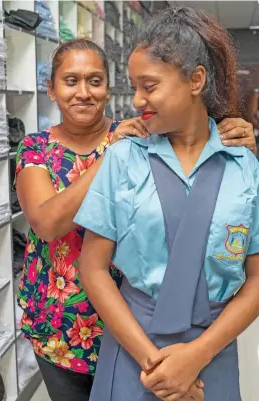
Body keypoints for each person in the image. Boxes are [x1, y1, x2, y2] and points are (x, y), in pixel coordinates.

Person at [15, 38, 256, 401]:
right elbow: (46, 224)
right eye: (70, 81)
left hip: (129, 320)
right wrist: (107, 158)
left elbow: (192, 145)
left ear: (108, 88)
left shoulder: (141, 133)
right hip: (65, 325)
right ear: (50, 89)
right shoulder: (51, 149)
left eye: (95, 81)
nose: (83, 92)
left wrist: (235, 137)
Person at [75, 8, 259, 401]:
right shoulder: (124, 158)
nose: (137, 99)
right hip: (134, 347)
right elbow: (92, 268)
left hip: (213, 348)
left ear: (195, 80)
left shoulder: (244, 164)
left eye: (150, 86)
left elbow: (257, 279)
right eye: (133, 86)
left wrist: (196, 356)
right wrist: (157, 368)